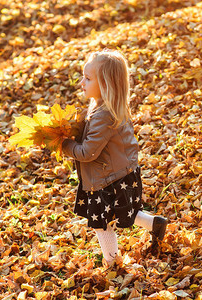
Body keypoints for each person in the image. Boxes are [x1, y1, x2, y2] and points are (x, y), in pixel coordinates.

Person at [61, 49, 167, 267]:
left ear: (106, 85)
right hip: (117, 174)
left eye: (88, 79)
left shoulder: (104, 116)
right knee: (124, 211)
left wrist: (65, 145)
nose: (82, 82)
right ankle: (155, 224)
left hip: (108, 178)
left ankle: (112, 263)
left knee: (102, 222)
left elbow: (87, 152)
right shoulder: (104, 107)